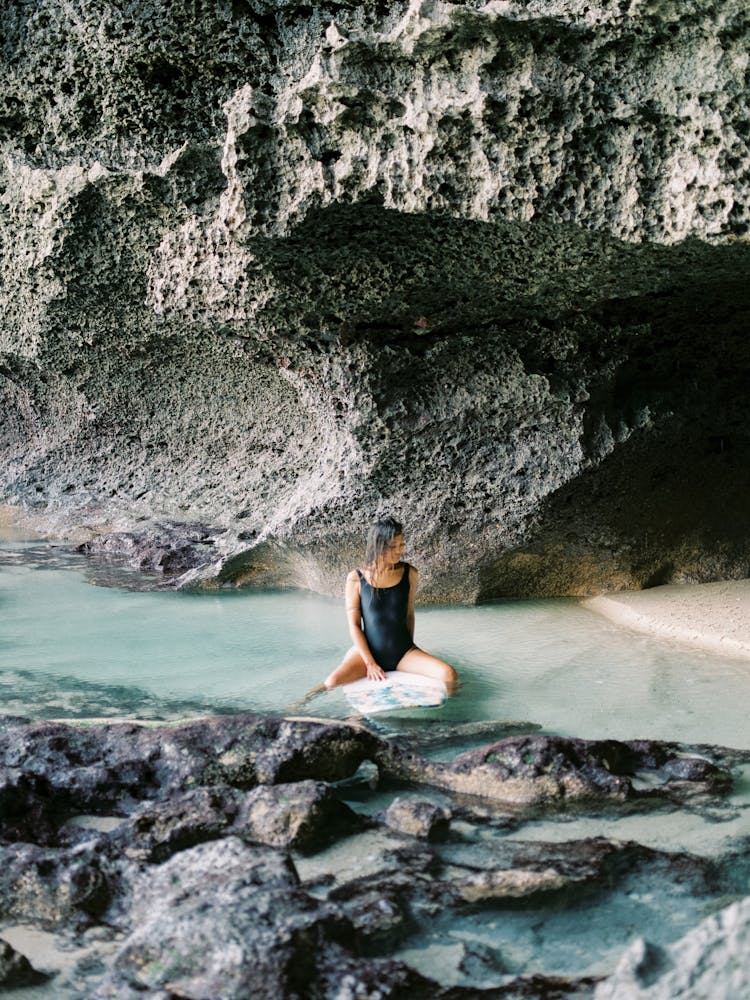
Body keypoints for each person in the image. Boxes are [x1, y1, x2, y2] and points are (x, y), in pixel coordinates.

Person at [300, 516, 458, 703]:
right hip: (368, 652)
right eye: (394, 546)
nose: (400, 550)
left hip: (403, 653)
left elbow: (409, 614)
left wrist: (410, 649)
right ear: (378, 547)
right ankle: (299, 705)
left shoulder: (410, 573)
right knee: (332, 681)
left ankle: (450, 713)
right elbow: (354, 625)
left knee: (449, 674)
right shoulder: (356, 579)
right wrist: (370, 663)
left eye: (402, 544)